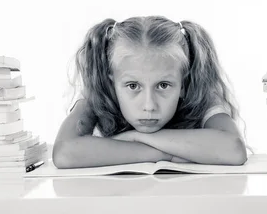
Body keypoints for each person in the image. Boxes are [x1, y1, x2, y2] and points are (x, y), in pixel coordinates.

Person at [52, 16, 249, 169]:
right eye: (132, 86)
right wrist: (164, 154)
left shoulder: (199, 92)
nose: (149, 106)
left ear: (184, 83)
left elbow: (233, 150)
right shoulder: (98, 91)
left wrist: (137, 137)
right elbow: (65, 153)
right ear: (112, 83)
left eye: (163, 85)